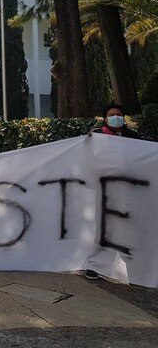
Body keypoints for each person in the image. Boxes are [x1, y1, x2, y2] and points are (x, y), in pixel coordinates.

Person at [85, 103, 141, 280]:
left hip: (130, 189)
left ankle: (137, 267)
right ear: (105, 117)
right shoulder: (97, 136)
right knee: (105, 228)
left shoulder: (133, 137)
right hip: (106, 190)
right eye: (111, 114)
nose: (115, 117)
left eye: (118, 114)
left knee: (130, 228)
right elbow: (87, 158)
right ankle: (96, 266)